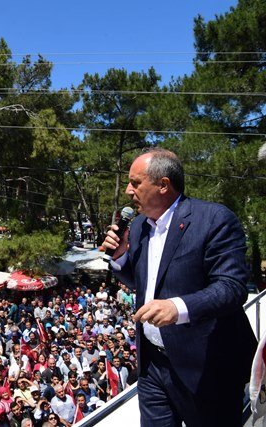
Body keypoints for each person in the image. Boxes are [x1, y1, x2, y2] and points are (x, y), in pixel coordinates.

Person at [102, 148, 257, 427]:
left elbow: (232, 287)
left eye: (135, 183)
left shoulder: (214, 219)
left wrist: (178, 307)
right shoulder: (137, 227)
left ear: (163, 185)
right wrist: (120, 258)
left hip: (206, 368)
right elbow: (144, 283)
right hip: (152, 366)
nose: (128, 191)